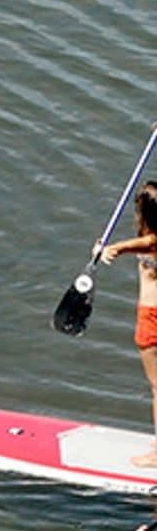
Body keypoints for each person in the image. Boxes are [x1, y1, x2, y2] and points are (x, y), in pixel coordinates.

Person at [97, 180, 157, 468]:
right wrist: (104, 248)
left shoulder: (152, 241)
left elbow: (146, 244)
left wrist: (115, 248)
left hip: (152, 317)